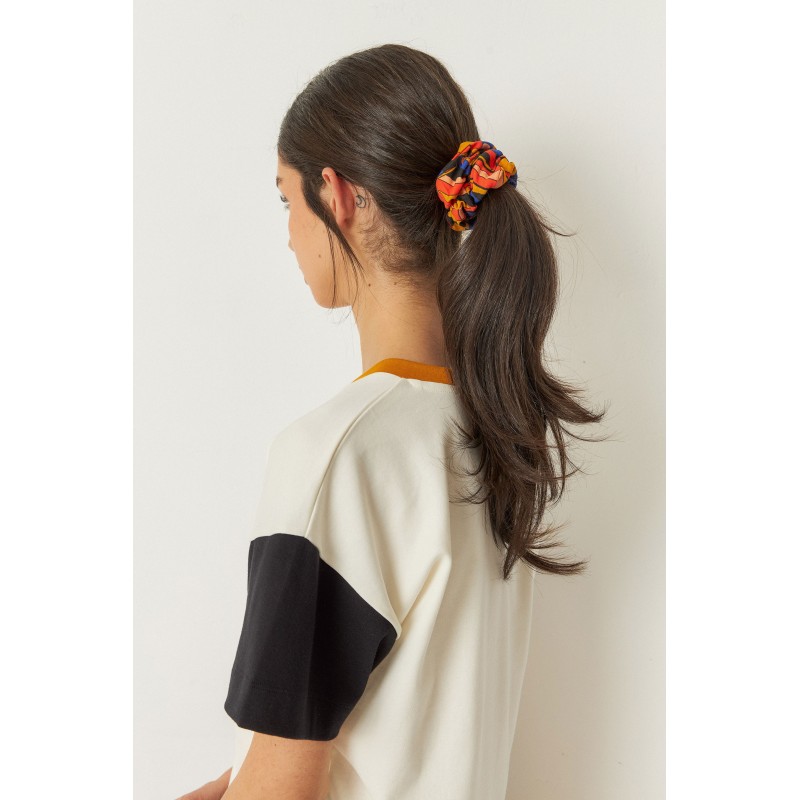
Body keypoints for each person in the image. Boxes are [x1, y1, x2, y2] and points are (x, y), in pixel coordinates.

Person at [177, 43, 607, 800]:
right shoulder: (497, 434)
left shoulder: (337, 455)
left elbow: (281, 789)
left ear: (338, 195)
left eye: (287, 200)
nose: (288, 233)